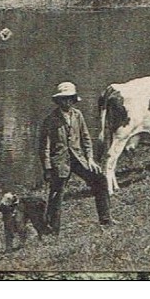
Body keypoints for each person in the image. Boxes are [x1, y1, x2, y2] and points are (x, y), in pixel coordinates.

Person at [39, 81, 114, 231]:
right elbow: (44, 147)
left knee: (100, 180)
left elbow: (86, 138)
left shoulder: (77, 115)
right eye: (64, 99)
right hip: (59, 162)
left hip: (78, 158)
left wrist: (90, 159)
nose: (67, 102)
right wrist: (47, 168)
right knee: (56, 194)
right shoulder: (50, 119)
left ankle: (105, 219)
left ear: (73, 100)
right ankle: (52, 229)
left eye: (70, 98)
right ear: (58, 101)